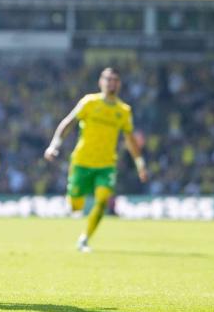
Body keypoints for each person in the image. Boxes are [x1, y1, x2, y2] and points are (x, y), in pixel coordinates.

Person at [43, 67, 148, 252]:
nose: (111, 83)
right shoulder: (89, 102)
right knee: (76, 206)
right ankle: (73, 200)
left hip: (106, 165)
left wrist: (140, 164)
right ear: (101, 82)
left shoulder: (123, 111)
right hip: (82, 162)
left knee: (102, 200)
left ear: (119, 84)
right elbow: (68, 122)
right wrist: (54, 145)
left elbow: (130, 140)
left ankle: (84, 239)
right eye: (107, 79)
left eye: (114, 79)